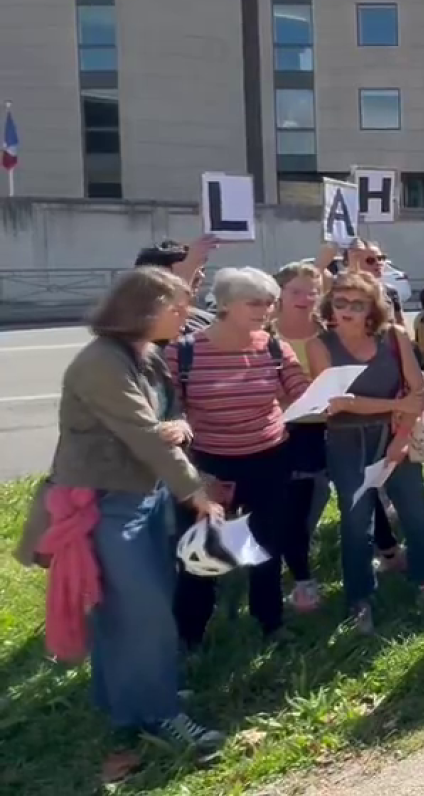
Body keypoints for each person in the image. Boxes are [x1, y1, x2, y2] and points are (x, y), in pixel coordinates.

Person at [30, 268, 227, 773]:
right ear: (142, 309)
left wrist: (178, 424)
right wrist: (197, 493)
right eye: (177, 306)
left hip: (143, 495)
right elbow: (142, 433)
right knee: (144, 612)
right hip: (105, 502)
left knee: (134, 607)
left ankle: (132, 700)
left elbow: (167, 413)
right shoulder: (101, 361)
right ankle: (160, 713)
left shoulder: (146, 353)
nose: (186, 314)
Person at [166, 268, 311, 646]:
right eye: (254, 302)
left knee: (266, 548)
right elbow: (169, 414)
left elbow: (299, 391)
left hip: (270, 459)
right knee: (200, 553)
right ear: (225, 304)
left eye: (268, 302)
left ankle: (270, 623)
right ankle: (190, 636)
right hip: (209, 468)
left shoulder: (275, 347)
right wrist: (196, 473)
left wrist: (334, 394)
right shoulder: (183, 352)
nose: (265, 310)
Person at [305, 270, 424, 632]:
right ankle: (360, 598)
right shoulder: (320, 344)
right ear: (329, 304)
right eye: (340, 302)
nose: (347, 310)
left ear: (372, 308)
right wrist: (390, 404)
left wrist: (397, 439)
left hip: (399, 434)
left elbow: (419, 392)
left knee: (415, 511)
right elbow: (334, 404)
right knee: (355, 520)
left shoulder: (394, 337)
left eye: (357, 303)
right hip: (346, 442)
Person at [271, 262, 328, 614]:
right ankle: (302, 580)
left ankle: (294, 555)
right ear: (279, 293)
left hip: (325, 429)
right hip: (281, 432)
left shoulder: (328, 332)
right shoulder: (264, 335)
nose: (306, 298)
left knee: (315, 502)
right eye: (296, 291)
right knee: (288, 508)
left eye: (313, 291)